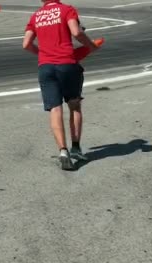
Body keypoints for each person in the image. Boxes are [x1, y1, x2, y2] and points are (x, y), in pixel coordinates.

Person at [23, 0, 100, 170]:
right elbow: (76, 32)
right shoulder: (67, 10)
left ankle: (63, 151)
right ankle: (76, 149)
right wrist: (91, 46)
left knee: (55, 109)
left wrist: (42, 54)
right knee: (74, 105)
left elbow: (26, 44)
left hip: (45, 67)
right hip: (67, 63)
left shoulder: (36, 16)